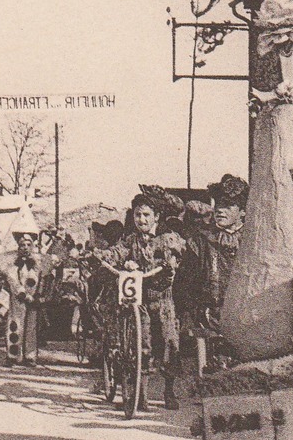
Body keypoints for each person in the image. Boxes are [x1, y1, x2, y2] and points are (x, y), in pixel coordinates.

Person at [100, 193, 185, 409]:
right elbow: (118, 252)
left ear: (156, 217)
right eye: (138, 215)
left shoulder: (168, 238)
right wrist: (105, 256)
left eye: (146, 215)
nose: (142, 220)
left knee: (168, 343)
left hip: (163, 298)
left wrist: (169, 265)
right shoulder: (131, 239)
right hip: (140, 299)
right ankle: (141, 394)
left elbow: (174, 259)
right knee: (141, 344)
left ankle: (169, 391)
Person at [173, 174, 248, 370]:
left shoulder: (251, 240)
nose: (220, 210)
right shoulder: (201, 240)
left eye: (229, 206)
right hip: (209, 318)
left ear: (242, 212)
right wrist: (188, 314)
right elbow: (183, 282)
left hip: (245, 315)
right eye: (219, 205)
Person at [0, 216, 60, 367]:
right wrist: (22, 293)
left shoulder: (38, 261)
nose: (25, 248)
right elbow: (12, 278)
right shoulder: (12, 262)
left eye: (28, 244)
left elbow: (40, 275)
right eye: (22, 245)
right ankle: (13, 354)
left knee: (31, 327)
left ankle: (30, 355)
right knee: (15, 324)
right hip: (18, 298)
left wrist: (34, 294)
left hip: (33, 297)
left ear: (33, 245)